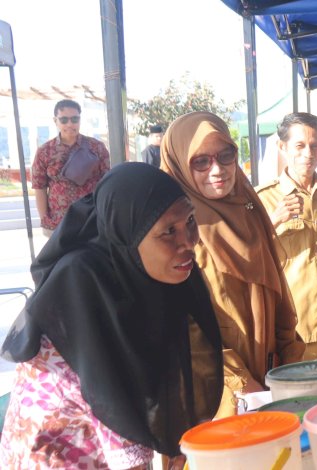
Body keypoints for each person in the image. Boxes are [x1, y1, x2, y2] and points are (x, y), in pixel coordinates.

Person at [1, 163, 223, 468]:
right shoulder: (85, 290)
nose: (188, 242)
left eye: (190, 221)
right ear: (128, 235)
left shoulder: (151, 274)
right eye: (168, 231)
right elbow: (118, 414)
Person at [161, 111, 304, 418]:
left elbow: (278, 295)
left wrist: (289, 364)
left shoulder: (249, 210)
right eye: (201, 161)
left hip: (269, 384)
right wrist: (240, 382)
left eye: (226, 155)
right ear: (180, 165)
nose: (218, 169)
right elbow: (183, 327)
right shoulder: (174, 232)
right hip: (217, 394)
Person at [256, 112, 317, 361]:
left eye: (315, 145)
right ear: (282, 147)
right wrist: (273, 222)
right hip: (294, 329)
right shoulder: (263, 200)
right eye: (300, 145)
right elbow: (250, 258)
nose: (309, 153)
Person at [31, 99, 110, 237]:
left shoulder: (96, 147)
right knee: (60, 259)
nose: (70, 124)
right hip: (59, 222)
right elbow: (39, 187)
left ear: (80, 119)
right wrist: (45, 219)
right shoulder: (45, 151)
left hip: (91, 218)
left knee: (92, 258)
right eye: (64, 120)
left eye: (75, 119)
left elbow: (107, 182)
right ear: (55, 120)